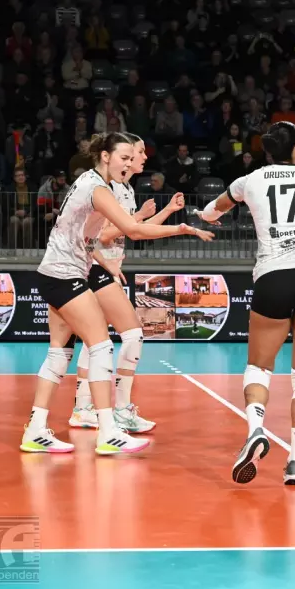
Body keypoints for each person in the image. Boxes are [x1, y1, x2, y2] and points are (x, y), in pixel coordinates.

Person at [21, 132, 214, 455]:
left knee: (59, 354)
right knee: (101, 346)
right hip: (65, 275)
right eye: (124, 157)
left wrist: (102, 259)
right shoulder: (97, 188)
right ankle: (109, 430)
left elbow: (90, 236)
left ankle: (35, 429)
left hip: (56, 271)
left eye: (130, 158)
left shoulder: (94, 183)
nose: (128, 163)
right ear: (105, 156)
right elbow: (133, 230)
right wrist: (182, 228)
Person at [196, 121, 295, 486]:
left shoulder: (250, 180)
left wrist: (203, 216)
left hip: (273, 277)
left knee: (259, 367)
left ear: (267, 151)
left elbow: (214, 209)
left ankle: (256, 429)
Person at [70, 132, 186, 433]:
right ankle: (119, 409)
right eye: (139, 152)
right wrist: (144, 219)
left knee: (93, 341)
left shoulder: (125, 188)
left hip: (100, 267)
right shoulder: (110, 188)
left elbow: (137, 230)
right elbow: (107, 235)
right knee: (132, 334)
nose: (144, 157)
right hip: (96, 266)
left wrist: (166, 212)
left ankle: (83, 408)